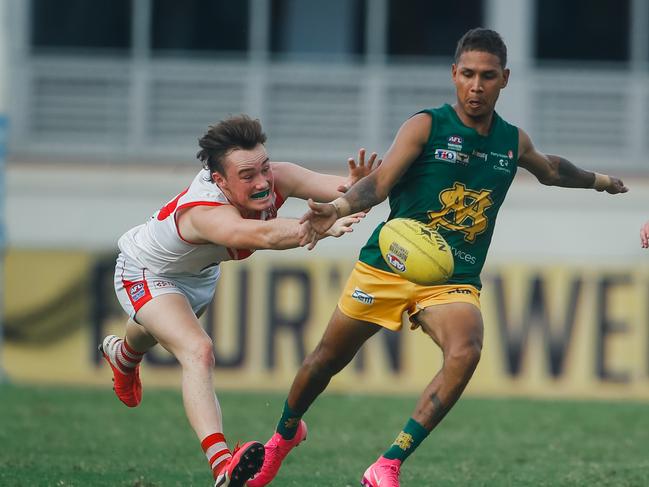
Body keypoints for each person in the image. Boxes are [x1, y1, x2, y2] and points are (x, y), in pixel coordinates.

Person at [248, 28, 629, 487]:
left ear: (504, 79)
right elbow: (379, 183)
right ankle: (283, 438)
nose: (476, 85)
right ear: (453, 74)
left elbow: (551, 169)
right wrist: (337, 207)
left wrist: (602, 181)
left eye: (488, 76)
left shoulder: (512, 141)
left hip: (451, 275)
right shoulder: (426, 125)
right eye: (467, 74)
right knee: (325, 360)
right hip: (389, 262)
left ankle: (387, 463)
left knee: (466, 349)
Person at [99, 114, 377, 487]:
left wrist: (361, 188)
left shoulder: (279, 175)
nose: (262, 181)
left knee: (154, 329)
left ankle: (124, 355)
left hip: (199, 276)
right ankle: (222, 467)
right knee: (198, 350)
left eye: (264, 168)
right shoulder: (202, 213)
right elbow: (259, 234)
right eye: (247, 176)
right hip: (145, 272)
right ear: (220, 181)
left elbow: (345, 191)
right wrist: (319, 226)